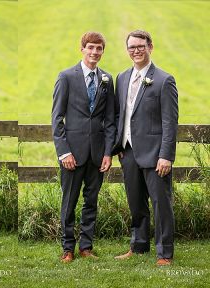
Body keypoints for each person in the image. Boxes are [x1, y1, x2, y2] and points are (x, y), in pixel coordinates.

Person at [113, 30, 177, 266]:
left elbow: (170, 122)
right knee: (136, 202)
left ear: (151, 46)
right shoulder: (122, 77)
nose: (136, 50)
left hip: (155, 154)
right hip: (128, 152)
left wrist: (166, 156)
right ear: (127, 50)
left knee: (161, 204)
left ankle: (164, 253)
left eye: (140, 46)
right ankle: (138, 246)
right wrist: (118, 145)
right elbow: (120, 113)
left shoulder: (163, 80)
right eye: (131, 47)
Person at [51, 32, 117, 263]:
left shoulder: (107, 79)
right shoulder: (66, 77)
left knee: (91, 201)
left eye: (99, 48)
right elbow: (57, 118)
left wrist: (108, 152)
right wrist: (64, 152)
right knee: (68, 201)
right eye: (90, 47)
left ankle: (86, 246)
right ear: (82, 49)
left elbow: (110, 120)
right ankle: (67, 247)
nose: (94, 52)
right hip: (72, 153)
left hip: (98, 154)